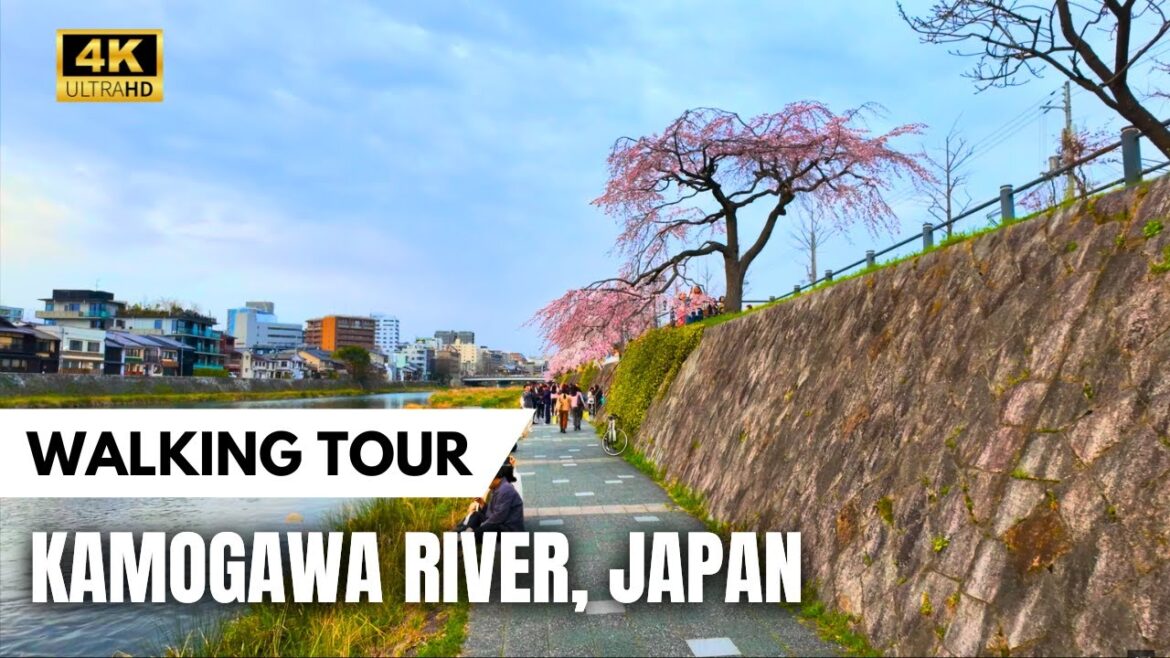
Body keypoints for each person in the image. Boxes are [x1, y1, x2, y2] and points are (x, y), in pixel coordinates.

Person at [456, 461, 525, 538]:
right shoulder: (497, 488)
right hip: (500, 523)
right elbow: (491, 513)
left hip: (508, 530)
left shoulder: (505, 490)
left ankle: (467, 536)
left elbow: (497, 518)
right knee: (476, 514)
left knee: (484, 529)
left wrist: (481, 527)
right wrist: (481, 502)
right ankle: (468, 531)